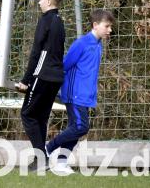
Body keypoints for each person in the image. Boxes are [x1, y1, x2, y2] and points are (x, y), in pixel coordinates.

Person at [45, 9, 114, 175]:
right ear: (95, 25)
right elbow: (64, 66)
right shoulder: (81, 44)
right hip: (74, 94)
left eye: (110, 26)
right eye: (107, 26)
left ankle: (61, 163)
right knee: (81, 126)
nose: (110, 30)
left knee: (74, 127)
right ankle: (48, 148)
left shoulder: (97, 45)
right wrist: (52, 87)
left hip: (86, 95)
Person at [15, 0, 66, 171]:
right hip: (56, 77)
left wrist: (26, 80)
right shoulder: (60, 21)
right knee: (41, 117)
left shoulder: (45, 20)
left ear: (49, 0)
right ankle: (41, 160)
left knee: (27, 114)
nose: (39, 2)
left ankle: (41, 157)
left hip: (42, 75)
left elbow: (37, 52)